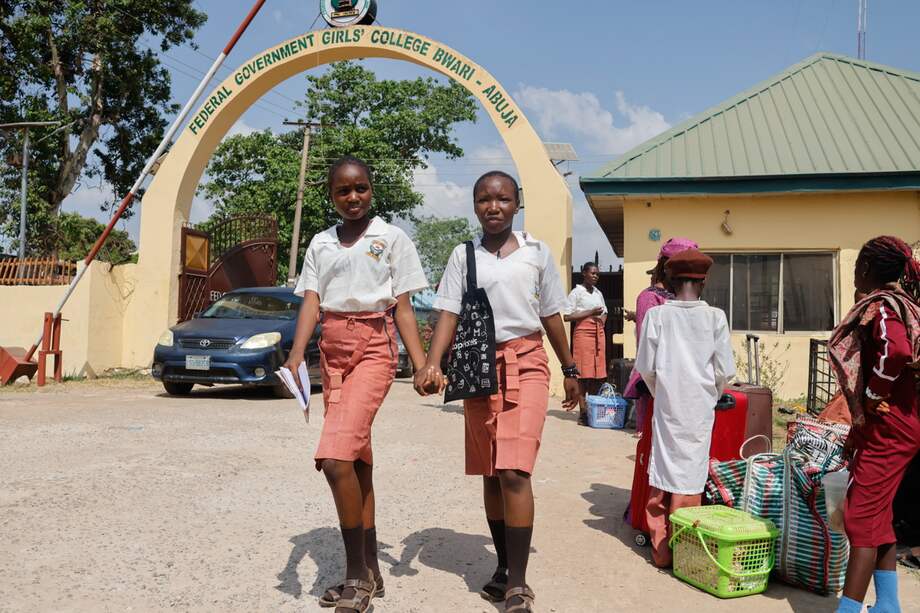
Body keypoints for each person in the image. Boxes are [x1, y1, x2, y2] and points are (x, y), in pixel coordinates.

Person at [414, 170, 579, 612]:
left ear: (516, 203)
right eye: (484, 199)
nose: (494, 207)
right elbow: (447, 312)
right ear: (474, 205)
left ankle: (518, 585)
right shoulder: (462, 256)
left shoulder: (536, 253)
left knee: (514, 470)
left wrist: (570, 368)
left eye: (503, 199)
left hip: (526, 363)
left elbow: (550, 315)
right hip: (478, 367)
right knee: (491, 470)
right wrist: (432, 362)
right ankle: (505, 565)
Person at [283, 156, 429, 613]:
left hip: (374, 345)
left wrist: (423, 364)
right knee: (357, 461)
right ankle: (371, 569)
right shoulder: (321, 243)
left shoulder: (391, 238)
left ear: (371, 189)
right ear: (331, 195)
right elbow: (311, 302)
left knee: (334, 457)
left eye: (360, 189)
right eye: (343, 191)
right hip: (332, 350)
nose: (353, 198)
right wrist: (294, 354)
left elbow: (403, 307)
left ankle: (355, 577)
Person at [828, 236, 920, 613]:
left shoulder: (883, 307)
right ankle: (888, 606)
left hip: (890, 430)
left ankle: (848, 610)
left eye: (855, 269)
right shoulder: (906, 305)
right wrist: (857, 428)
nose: (854, 277)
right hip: (893, 427)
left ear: (866, 270)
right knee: (879, 521)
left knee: (860, 522)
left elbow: (896, 350)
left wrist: (874, 393)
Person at [635, 248, 735, 568]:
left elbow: (646, 368)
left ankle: (661, 548)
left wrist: (663, 391)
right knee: (691, 473)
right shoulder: (715, 317)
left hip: (667, 405)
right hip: (700, 408)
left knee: (663, 467)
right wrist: (709, 395)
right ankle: (685, 551)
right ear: (703, 283)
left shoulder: (657, 316)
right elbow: (725, 371)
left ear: (669, 281)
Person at [623, 237, 698, 438]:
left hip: (683, 382)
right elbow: (648, 347)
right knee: (654, 446)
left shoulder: (687, 299)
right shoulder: (649, 298)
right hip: (657, 384)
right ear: (667, 267)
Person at [564, 262, 607, 425]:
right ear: (584, 273)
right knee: (582, 374)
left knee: (596, 374)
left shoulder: (598, 293)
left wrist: (601, 321)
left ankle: (592, 410)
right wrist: (590, 313)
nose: (596, 276)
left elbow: (605, 311)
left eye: (597, 274)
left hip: (598, 333)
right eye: (593, 273)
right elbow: (567, 316)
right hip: (583, 333)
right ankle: (582, 412)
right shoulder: (576, 293)